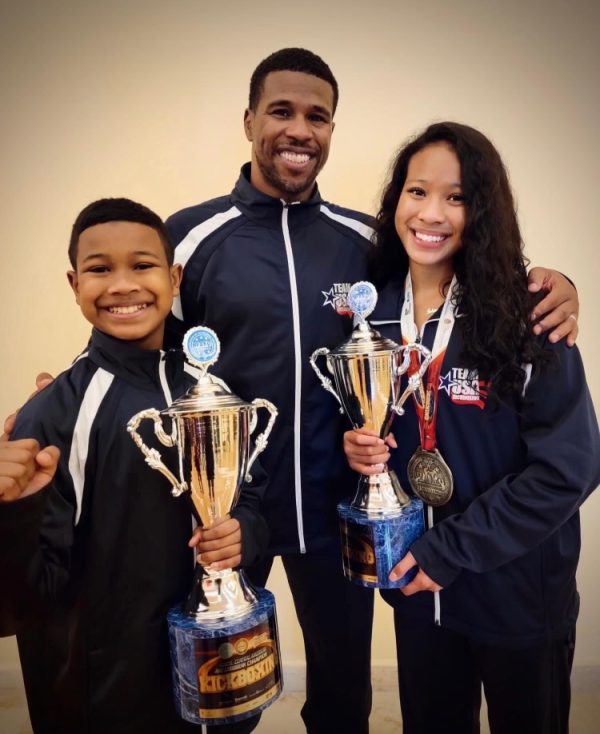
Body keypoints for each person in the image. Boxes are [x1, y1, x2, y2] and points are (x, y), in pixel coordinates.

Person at [2, 49, 581, 734]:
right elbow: (137, 335)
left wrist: (549, 281)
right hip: (224, 515)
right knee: (221, 693)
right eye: (281, 111)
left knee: (343, 695)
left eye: (318, 116)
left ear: (332, 129)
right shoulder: (190, 235)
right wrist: (61, 401)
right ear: (249, 120)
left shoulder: (365, 243)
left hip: (343, 511)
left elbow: (449, 278)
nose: (299, 129)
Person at [342, 122, 599, 734]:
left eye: (456, 197)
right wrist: (357, 447)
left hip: (517, 598)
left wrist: (449, 550)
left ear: (482, 210)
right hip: (418, 593)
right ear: (396, 200)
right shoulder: (370, 316)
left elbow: (569, 469)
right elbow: (377, 428)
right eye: (416, 191)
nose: (431, 213)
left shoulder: (529, 317)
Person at [0, 198, 269, 734]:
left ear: (172, 278)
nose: (123, 285)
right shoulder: (53, 414)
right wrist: (12, 515)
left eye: (142, 265)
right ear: (75, 284)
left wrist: (247, 533)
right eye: (100, 269)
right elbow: (22, 598)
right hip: (106, 693)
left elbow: (253, 498)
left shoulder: (211, 394)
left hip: (218, 664)